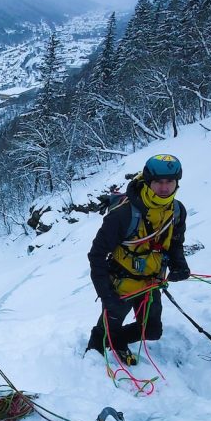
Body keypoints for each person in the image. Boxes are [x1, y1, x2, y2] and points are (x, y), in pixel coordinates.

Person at [86, 154, 191, 363]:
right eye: (158, 182)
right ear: (147, 181)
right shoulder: (122, 215)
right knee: (104, 332)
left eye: (169, 182)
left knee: (152, 330)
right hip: (120, 284)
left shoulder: (176, 211)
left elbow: (175, 243)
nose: (164, 188)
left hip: (151, 283)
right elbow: (96, 255)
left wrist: (180, 265)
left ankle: (116, 342)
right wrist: (106, 295)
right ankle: (92, 361)